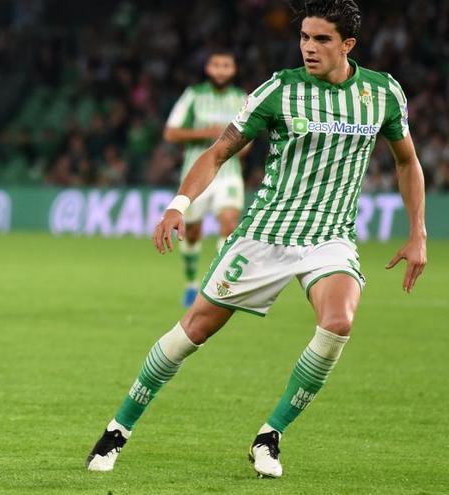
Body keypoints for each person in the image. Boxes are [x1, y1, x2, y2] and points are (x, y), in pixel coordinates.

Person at [87, 0, 426, 479]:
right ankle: (118, 429)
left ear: (348, 44)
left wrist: (418, 232)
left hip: (330, 236)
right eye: (304, 37)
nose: (309, 47)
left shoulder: (383, 93)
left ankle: (271, 435)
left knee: (339, 322)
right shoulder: (279, 90)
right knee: (192, 332)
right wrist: (177, 205)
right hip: (265, 234)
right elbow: (218, 152)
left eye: (321, 39)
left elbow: (408, 161)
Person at [163, 51, 249, 307]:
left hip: (229, 174)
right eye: (216, 65)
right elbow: (171, 133)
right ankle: (190, 285)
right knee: (191, 233)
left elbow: (246, 146)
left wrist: (230, 142)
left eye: (226, 65)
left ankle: (217, 286)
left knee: (229, 223)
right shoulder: (194, 95)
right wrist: (206, 132)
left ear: (233, 70)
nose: (221, 70)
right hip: (196, 174)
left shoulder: (241, 98)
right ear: (208, 68)